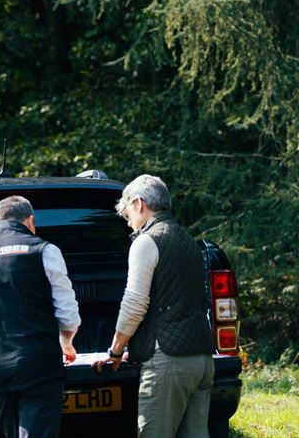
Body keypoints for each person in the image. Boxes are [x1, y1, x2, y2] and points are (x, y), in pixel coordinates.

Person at [0, 195, 81, 438]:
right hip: (39, 366)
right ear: (30, 220)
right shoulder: (44, 250)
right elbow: (68, 314)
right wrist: (66, 343)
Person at [92, 175, 214, 437]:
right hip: (202, 361)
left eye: (127, 216)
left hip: (169, 363)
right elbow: (176, 301)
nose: (129, 223)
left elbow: (135, 304)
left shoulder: (146, 242)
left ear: (139, 204)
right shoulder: (189, 243)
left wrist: (115, 352)